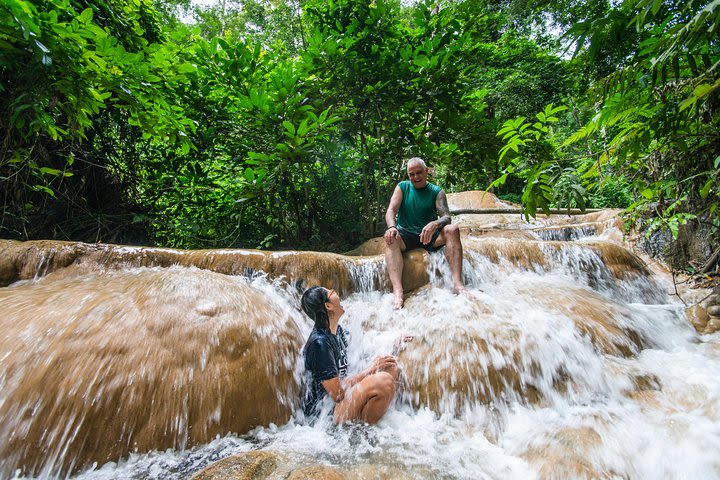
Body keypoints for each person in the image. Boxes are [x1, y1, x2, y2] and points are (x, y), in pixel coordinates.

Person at [300, 286, 400, 424]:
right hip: (324, 416)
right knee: (384, 381)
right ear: (328, 306)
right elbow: (337, 394)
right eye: (332, 292)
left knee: (390, 366)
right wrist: (370, 370)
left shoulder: (337, 330)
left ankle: (372, 421)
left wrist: (393, 341)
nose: (336, 292)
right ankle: (364, 433)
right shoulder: (319, 344)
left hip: (341, 401)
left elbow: (363, 346)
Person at [384, 157, 468, 309]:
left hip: (429, 236)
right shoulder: (402, 187)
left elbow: (446, 217)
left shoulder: (437, 191)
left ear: (426, 171)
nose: (416, 177)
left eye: (419, 172)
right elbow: (391, 210)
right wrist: (392, 227)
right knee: (390, 238)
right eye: (411, 174)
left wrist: (435, 224)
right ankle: (398, 291)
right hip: (406, 234)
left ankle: (457, 284)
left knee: (453, 230)